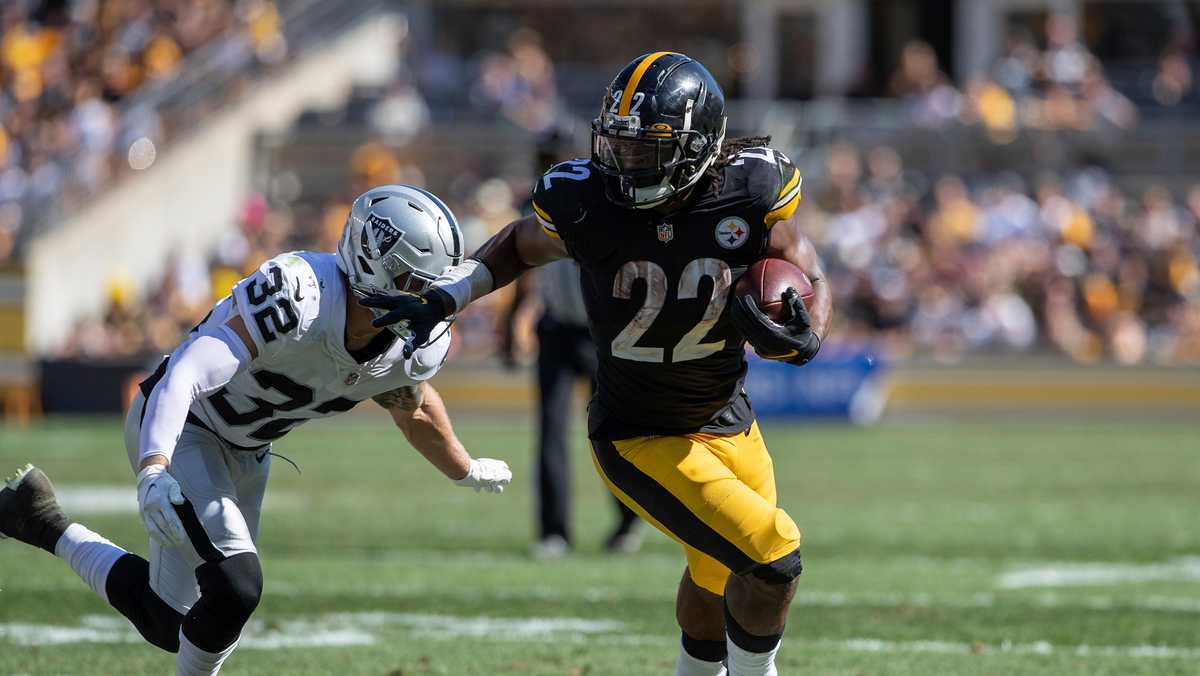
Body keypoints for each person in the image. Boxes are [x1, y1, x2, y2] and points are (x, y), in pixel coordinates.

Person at [364, 53, 833, 676]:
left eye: (647, 150)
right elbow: (519, 246)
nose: (624, 163)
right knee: (774, 559)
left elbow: (803, 260)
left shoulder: (750, 188)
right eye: (618, 145)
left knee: (714, 571)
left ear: (698, 148)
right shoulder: (588, 201)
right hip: (638, 435)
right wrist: (451, 294)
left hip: (729, 419)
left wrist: (810, 325)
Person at [0, 185, 512, 675]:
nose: (429, 300)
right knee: (236, 587)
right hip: (185, 424)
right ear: (373, 263)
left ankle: (38, 520)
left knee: (169, 620)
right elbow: (189, 372)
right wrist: (154, 466)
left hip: (247, 451)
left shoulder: (410, 347)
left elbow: (414, 408)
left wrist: (464, 469)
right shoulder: (300, 295)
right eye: (416, 284)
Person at [501, 129, 640, 559]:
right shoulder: (536, 201)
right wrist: (512, 324)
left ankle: (630, 517)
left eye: (551, 156)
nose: (546, 165)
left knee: (613, 433)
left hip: (601, 332)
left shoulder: (595, 199)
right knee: (551, 432)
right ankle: (554, 531)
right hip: (556, 327)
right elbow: (525, 266)